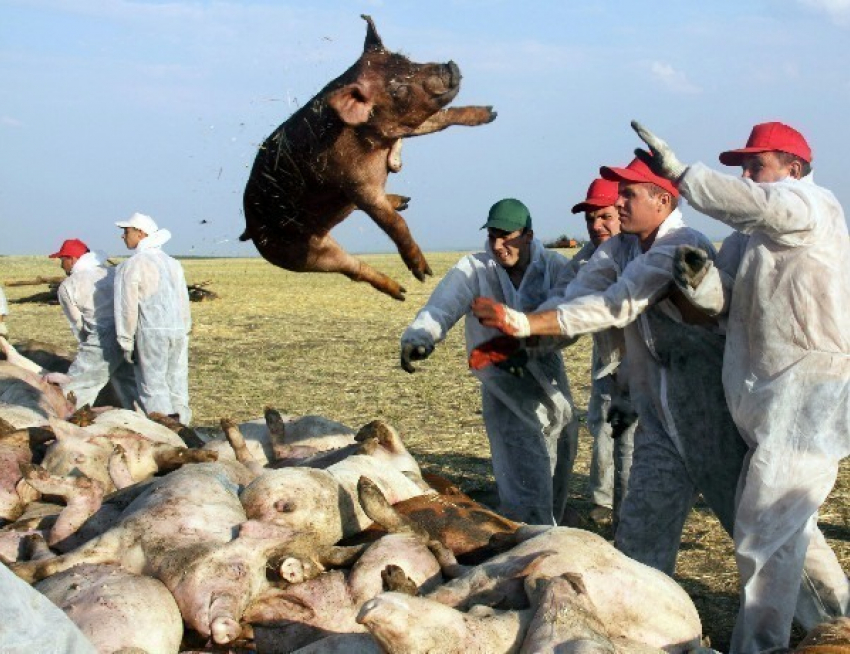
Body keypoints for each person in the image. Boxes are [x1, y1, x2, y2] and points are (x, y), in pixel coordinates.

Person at [471, 159, 749, 577]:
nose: (616, 204)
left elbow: (618, 303)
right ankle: (643, 628)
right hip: (659, 416)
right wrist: (523, 339)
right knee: (640, 536)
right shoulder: (617, 250)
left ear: (662, 200)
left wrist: (525, 324)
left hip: (709, 415)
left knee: (755, 531)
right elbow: (573, 295)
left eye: (627, 194)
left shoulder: (680, 244)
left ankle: (831, 616)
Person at [632, 120, 850, 652]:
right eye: (742, 168)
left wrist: (683, 175)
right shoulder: (749, 238)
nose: (747, 176)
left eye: (757, 165)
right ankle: (840, 618)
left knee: (761, 533)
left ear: (794, 169)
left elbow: (761, 205)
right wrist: (700, 281)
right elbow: (722, 302)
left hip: (809, 393)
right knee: (786, 528)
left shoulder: (809, 204)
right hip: (766, 397)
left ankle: (760, 646)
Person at [399, 198, 580, 525]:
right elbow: (442, 306)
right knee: (522, 462)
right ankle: (530, 533)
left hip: (548, 377)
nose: (498, 245)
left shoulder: (554, 267)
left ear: (527, 235)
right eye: (492, 236)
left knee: (563, 446)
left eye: (506, 237)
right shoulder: (475, 269)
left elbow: (575, 315)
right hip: (502, 384)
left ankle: (553, 527)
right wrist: (420, 338)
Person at [568, 178, 637, 525]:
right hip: (607, 358)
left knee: (631, 437)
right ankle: (604, 501)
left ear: (622, 211)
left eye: (604, 216)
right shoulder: (583, 261)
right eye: (590, 219)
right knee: (602, 427)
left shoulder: (641, 254)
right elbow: (563, 300)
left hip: (645, 360)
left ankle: (628, 511)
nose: (597, 226)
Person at [114, 212, 192, 424]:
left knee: (153, 387)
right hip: (178, 331)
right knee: (177, 386)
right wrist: (184, 329)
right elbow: (183, 300)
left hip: (150, 332)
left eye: (126, 231)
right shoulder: (173, 263)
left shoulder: (131, 265)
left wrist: (126, 340)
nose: (123, 236)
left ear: (140, 233)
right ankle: (184, 430)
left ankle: (165, 434)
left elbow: (126, 308)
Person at [46, 238, 138, 409]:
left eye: (62, 260)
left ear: (72, 259)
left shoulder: (68, 285)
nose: (61, 265)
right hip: (130, 332)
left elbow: (78, 324)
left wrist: (88, 348)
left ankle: (71, 423)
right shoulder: (112, 273)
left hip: (102, 338)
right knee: (131, 385)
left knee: (78, 387)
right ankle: (147, 422)